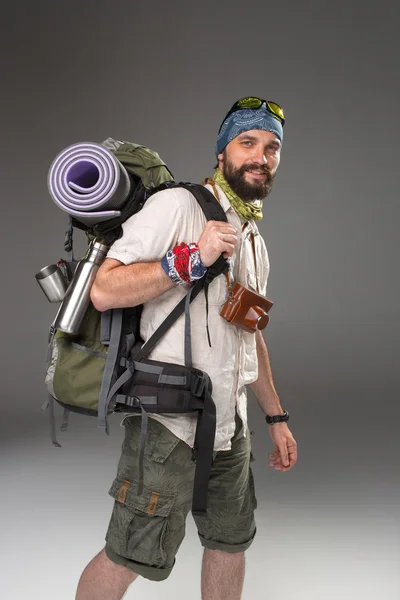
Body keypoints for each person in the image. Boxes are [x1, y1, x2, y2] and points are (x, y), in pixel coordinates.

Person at [76, 96, 298, 600]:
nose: (260, 156)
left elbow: (249, 333)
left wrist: (276, 417)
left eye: (271, 147)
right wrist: (187, 260)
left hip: (229, 422)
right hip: (169, 422)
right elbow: (105, 289)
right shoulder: (177, 206)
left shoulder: (252, 235)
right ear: (222, 153)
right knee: (128, 553)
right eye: (247, 143)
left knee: (229, 542)